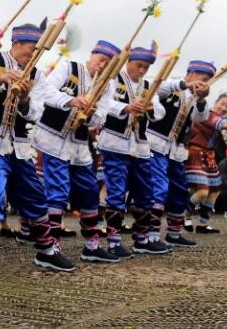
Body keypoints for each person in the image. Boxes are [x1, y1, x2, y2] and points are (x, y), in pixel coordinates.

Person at [0, 23, 73, 275]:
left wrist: (23, 100)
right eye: (31, 50)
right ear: (17, 44)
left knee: (34, 194)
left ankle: (47, 251)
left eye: (37, 51)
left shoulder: (35, 74)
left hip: (19, 145)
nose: (33, 56)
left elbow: (37, 111)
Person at [32, 40, 122, 265]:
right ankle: (50, 246)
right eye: (101, 60)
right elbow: (45, 92)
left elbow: (102, 116)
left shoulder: (107, 86)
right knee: (58, 192)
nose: (102, 66)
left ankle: (91, 245)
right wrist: (70, 101)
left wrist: (90, 114)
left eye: (108, 64)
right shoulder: (69, 68)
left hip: (79, 145)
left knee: (90, 191)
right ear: (92, 55)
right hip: (52, 139)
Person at [99, 44, 168, 257]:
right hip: (114, 144)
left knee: (146, 193)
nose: (142, 71)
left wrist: (150, 108)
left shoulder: (148, 85)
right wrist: (125, 107)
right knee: (117, 192)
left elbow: (160, 111)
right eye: (139, 65)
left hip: (139, 147)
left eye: (146, 67)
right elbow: (103, 102)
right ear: (128, 62)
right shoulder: (113, 79)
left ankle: (142, 238)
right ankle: (113, 240)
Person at [146, 60, 212, 248]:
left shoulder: (194, 96)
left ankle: (174, 234)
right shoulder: (172, 85)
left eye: (208, 80)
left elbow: (200, 117)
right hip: (155, 145)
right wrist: (185, 85)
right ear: (190, 73)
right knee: (159, 188)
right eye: (203, 78)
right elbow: (155, 89)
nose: (204, 82)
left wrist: (200, 99)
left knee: (180, 189)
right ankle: (151, 235)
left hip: (175, 150)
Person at [185, 93, 227, 234]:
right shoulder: (207, 114)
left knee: (215, 190)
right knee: (202, 192)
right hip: (196, 153)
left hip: (209, 155)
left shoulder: (222, 118)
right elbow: (225, 125)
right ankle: (183, 215)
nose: (224, 108)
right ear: (216, 102)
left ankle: (203, 224)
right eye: (222, 104)